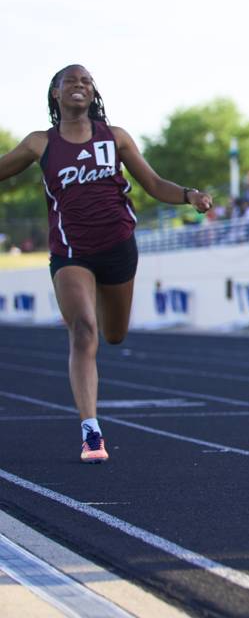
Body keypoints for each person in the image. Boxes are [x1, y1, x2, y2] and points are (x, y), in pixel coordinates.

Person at [0, 65, 213, 463]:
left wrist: (189, 195)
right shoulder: (38, 144)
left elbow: (153, 184)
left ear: (93, 93)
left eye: (86, 81)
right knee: (83, 331)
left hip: (118, 248)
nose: (79, 86)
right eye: (71, 82)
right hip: (71, 253)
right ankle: (91, 432)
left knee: (113, 335)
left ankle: (98, 309)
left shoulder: (114, 138)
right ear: (55, 94)